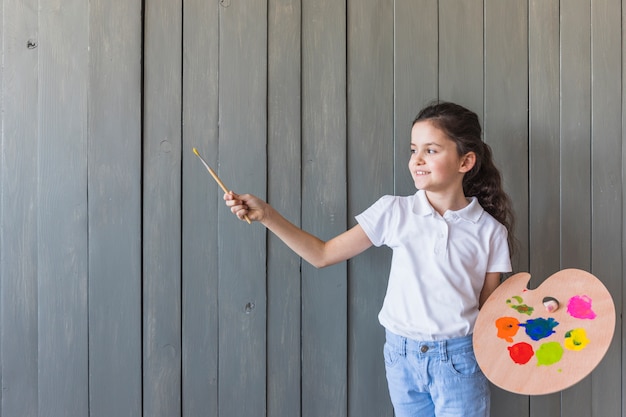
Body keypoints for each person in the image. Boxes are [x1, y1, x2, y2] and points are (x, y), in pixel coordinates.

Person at [224, 100, 515, 417]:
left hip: (460, 360)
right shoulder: (394, 212)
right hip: (401, 357)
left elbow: (492, 314)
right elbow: (322, 254)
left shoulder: (490, 232)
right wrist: (267, 215)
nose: (417, 159)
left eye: (431, 150)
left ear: (465, 161)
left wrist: (547, 315)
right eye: (413, 149)